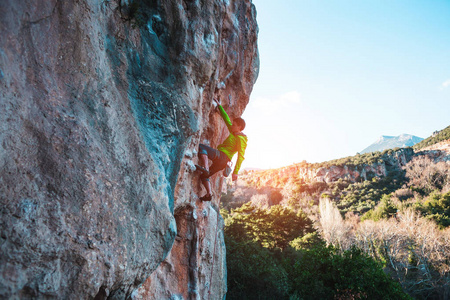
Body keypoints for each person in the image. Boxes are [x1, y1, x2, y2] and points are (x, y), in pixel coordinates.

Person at [196, 98, 247, 201]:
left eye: (235, 125)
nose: (232, 125)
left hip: (223, 157)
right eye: (233, 124)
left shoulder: (241, 139)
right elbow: (226, 119)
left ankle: (205, 167)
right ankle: (209, 194)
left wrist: (235, 172)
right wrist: (219, 106)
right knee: (204, 176)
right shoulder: (233, 131)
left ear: (239, 127)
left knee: (202, 147)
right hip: (222, 163)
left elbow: (240, 156)